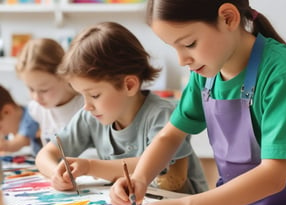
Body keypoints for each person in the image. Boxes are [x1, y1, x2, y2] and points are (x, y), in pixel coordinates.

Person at [109, 0, 286, 205]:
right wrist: (140, 178)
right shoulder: (206, 74)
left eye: (189, 44)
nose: (182, 60)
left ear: (228, 18)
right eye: (174, 48)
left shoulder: (284, 73)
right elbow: (170, 135)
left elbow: (272, 176)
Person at [35, 22, 208, 195]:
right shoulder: (90, 116)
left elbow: (161, 170)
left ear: (129, 85)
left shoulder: (162, 114)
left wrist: (90, 166)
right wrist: (57, 175)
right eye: (82, 95)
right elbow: (45, 155)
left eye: (94, 95)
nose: (87, 105)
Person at [15, 38, 84, 146]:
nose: (36, 97)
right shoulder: (37, 108)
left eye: (44, 90)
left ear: (64, 76)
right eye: (31, 89)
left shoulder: (85, 106)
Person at [0, 84, 41, 156]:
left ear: (7, 111)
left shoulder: (31, 113)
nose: (3, 133)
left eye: (0, 128)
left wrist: (5, 146)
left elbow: (20, 142)